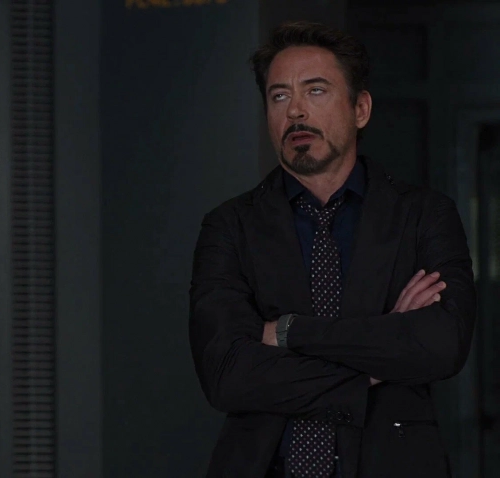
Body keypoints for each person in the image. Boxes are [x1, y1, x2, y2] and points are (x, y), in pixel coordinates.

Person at [189, 22, 476, 478]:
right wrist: (378, 358)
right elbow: (226, 374)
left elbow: (441, 346)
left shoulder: (423, 215)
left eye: (316, 90)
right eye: (279, 96)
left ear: (360, 108)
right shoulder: (229, 226)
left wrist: (288, 333)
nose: (295, 110)